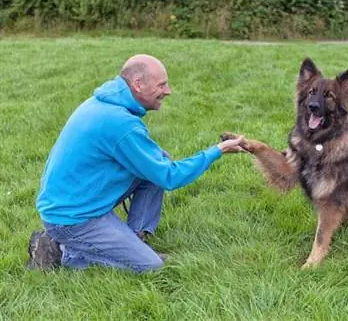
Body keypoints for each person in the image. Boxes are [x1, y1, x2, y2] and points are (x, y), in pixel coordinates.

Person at [28, 54, 243, 272]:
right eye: (162, 85)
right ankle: (63, 250)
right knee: (151, 265)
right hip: (72, 218)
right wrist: (217, 151)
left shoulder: (106, 103)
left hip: (80, 200)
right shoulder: (120, 123)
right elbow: (170, 177)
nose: (168, 91)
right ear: (138, 85)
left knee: (159, 160)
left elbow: (158, 167)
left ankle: (134, 238)